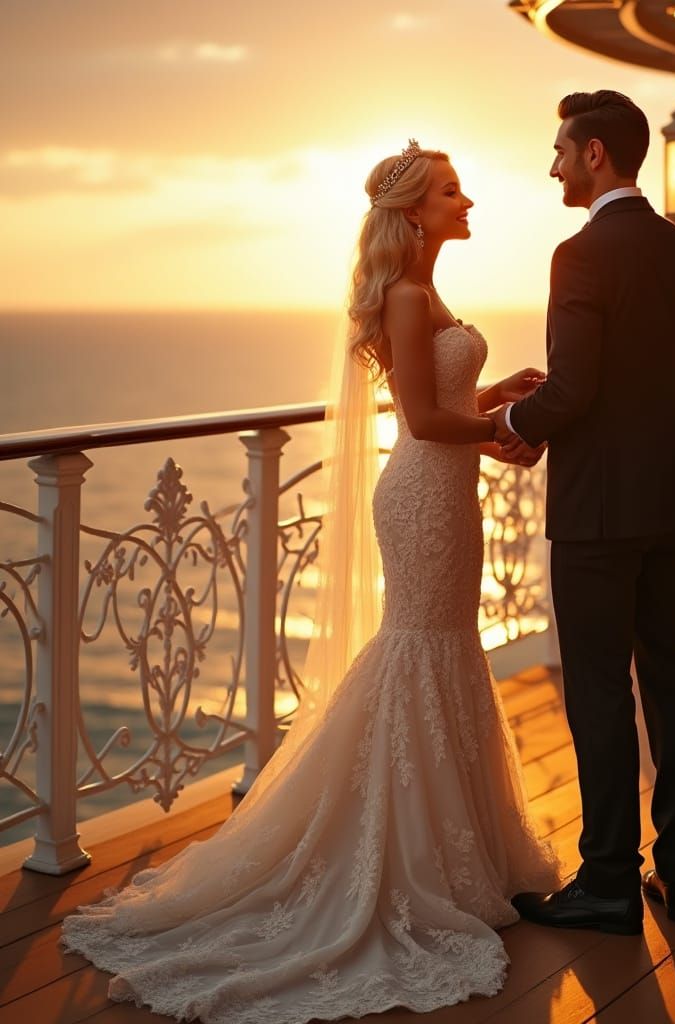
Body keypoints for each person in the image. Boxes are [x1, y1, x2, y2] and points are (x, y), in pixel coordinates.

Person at [61, 141, 562, 1024]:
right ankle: (387, 855)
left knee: (440, 651)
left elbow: (443, 405)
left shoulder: (428, 293)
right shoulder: (408, 297)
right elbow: (417, 418)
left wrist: (496, 401)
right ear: (415, 214)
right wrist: (506, 424)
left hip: (446, 495)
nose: (467, 199)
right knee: (417, 651)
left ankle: (450, 851)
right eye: (452, 191)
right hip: (422, 500)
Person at [488, 90, 675, 936]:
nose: (551, 164)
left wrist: (508, 423)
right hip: (666, 497)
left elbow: (576, 389)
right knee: (670, 676)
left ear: (595, 155)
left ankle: (610, 884)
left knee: (595, 691)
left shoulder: (578, 256)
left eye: (560, 149)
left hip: (594, 510)